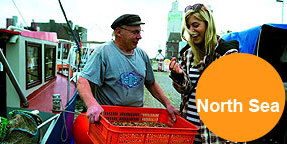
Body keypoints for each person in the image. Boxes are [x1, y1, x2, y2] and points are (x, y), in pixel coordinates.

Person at [77, 14, 179, 124]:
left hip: (136, 120)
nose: (139, 36)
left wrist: (168, 104)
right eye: (135, 32)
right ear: (118, 32)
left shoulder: (142, 54)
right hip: (108, 120)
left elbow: (151, 83)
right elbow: (82, 81)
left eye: (140, 32)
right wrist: (92, 104)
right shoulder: (103, 52)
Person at [169, 3, 239, 144]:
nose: (191, 30)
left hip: (214, 135)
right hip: (189, 132)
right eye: (188, 26)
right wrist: (178, 75)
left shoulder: (227, 54)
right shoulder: (187, 54)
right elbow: (186, 89)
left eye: (195, 25)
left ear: (208, 24)